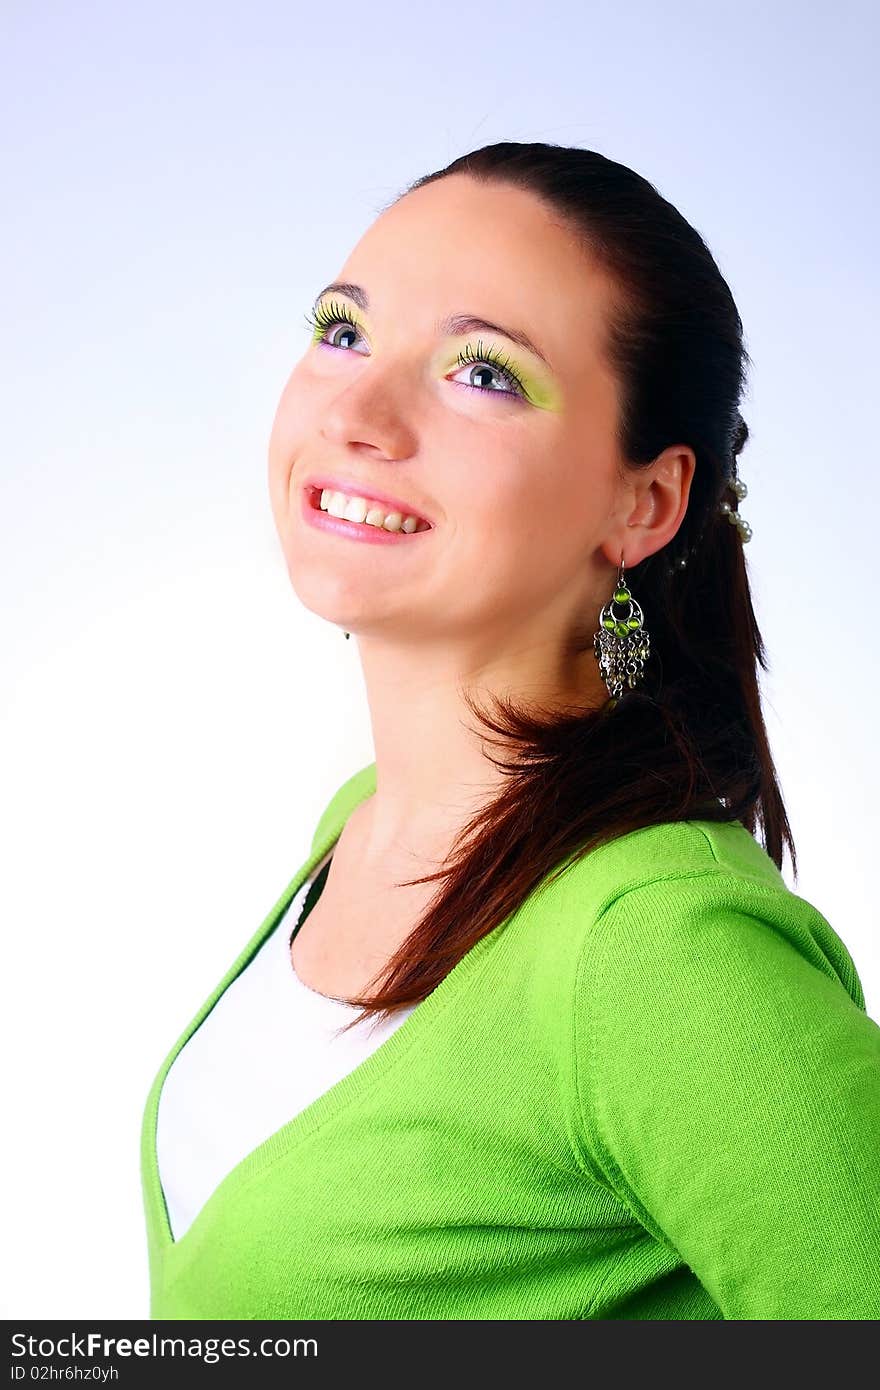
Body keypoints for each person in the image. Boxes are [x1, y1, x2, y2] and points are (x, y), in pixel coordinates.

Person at [140, 141, 880, 1320]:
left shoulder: (656, 947)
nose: (359, 413)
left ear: (645, 503)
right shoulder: (365, 828)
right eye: (343, 331)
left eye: (482, 372)